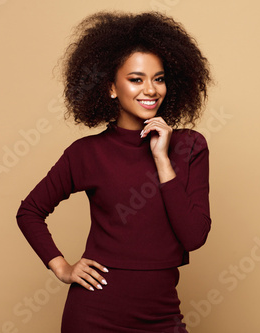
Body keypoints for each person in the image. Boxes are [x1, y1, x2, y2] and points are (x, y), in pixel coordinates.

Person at [16, 11, 212, 332]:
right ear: (110, 87)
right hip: (94, 313)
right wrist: (62, 268)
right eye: (136, 79)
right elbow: (30, 211)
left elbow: (193, 236)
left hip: (162, 316)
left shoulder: (189, 146)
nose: (150, 89)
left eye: (158, 78)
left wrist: (162, 159)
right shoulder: (86, 153)